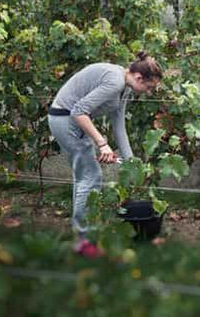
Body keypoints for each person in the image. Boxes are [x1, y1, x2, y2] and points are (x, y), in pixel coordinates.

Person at [47, 52, 162, 252]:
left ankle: (83, 236)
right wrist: (102, 143)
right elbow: (78, 111)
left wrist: (132, 163)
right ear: (138, 78)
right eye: (149, 87)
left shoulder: (124, 87)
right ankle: (84, 241)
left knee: (85, 177)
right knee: (91, 176)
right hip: (64, 119)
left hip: (72, 121)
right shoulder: (115, 81)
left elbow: (119, 126)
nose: (148, 92)